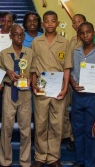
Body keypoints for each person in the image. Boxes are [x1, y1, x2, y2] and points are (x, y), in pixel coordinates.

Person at [30, 11, 72, 167]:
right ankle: (40, 156)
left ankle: (54, 157)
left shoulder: (64, 42)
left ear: (57, 23)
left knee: (56, 124)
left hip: (58, 87)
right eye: (46, 21)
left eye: (53, 21)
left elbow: (67, 67)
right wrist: (34, 83)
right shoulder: (36, 42)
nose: (49, 24)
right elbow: (33, 66)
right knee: (40, 123)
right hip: (42, 86)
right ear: (42, 24)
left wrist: (66, 86)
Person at [70, 22, 95, 167]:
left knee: (92, 132)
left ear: (93, 33)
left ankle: (89, 163)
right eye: (82, 33)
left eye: (88, 32)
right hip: (78, 97)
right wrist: (73, 84)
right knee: (78, 131)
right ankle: (80, 160)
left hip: (94, 99)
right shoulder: (76, 53)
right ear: (79, 35)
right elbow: (71, 73)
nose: (85, 35)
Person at [0, 24, 34, 167]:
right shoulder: (3, 53)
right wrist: (8, 72)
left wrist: (31, 79)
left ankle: (25, 161)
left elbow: (33, 70)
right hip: (9, 91)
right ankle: (5, 160)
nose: (19, 37)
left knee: (25, 129)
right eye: (16, 34)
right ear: (10, 36)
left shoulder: (29, 53)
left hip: (25, 93)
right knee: (6, 128)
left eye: (21, 35)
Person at [63, 14, 87, 151]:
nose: (77, 24)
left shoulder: (87, 41)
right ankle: (71, 137)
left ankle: (81, 138)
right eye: (74, 22)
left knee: (79, 112)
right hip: (69, 80)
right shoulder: (70, 40)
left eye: (80, 21)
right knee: (66, 110)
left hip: (81, 82)